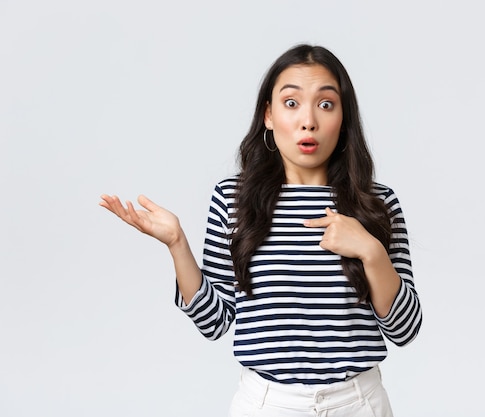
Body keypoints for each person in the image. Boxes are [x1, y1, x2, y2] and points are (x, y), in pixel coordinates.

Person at [100, 44, 422, 417]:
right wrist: (177, 244)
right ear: (268, 115)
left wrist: (371, 251)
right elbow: (213, 320)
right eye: (291, 103)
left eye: (326, 104)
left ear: (344, 118)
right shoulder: (234, 199)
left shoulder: (377, 203)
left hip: (359, 403)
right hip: (268, 405)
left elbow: (405, 329)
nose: (308, 121)